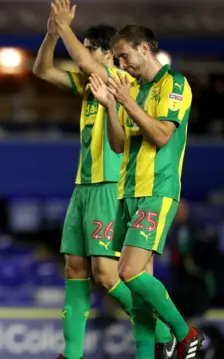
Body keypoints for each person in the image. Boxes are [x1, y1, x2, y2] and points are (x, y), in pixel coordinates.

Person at [33, 1, 176, 359]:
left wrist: (65, 27)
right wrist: (52, 35)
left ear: (108, 54)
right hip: (82, 187)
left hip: (111, 187)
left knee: (109, 275)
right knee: (75, 267)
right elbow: (41, 69)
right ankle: (72, 353)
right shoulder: (88, 87)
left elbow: (83, 61)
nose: (81, 52)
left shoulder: (122, 81)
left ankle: (163, 330)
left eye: (88, 45)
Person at [88, 23, 203, 359]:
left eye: (124, 56)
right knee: (137, 289)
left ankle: (184, 333)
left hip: (157, 189)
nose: (122, 64)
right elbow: (118, 143)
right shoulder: (132, 90)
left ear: (145, 48)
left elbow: (162, 135)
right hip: (128, 191)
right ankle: (148, 353)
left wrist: (126, 101)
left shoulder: (175, 84)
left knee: (128, 272)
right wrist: (111, 107)